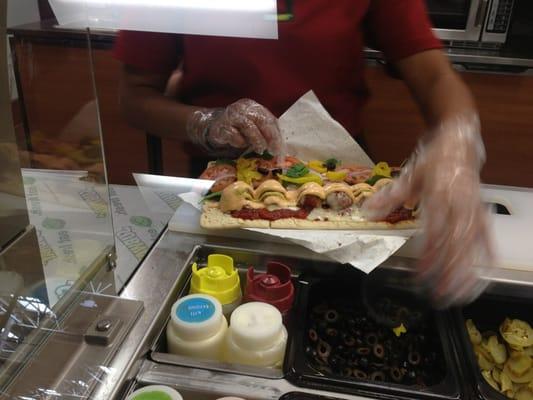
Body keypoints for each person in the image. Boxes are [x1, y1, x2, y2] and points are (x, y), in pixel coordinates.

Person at [114, 1, 493, 307]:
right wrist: (206, 122)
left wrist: (457, 140)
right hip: (226, 185)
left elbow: (435, 76)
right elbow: (134, 98)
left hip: (344, 181)